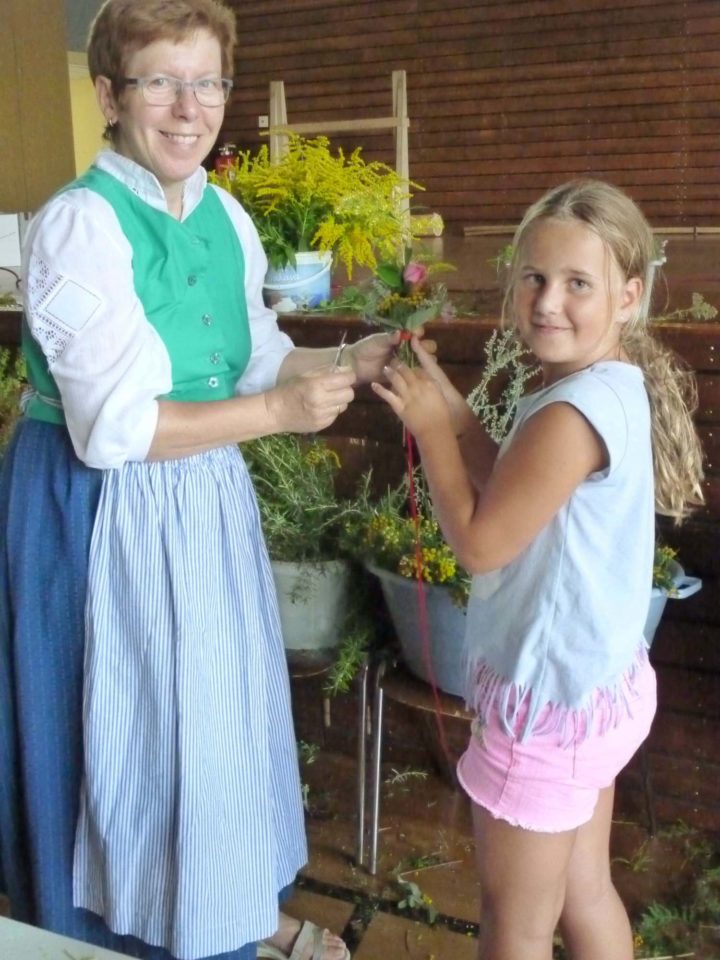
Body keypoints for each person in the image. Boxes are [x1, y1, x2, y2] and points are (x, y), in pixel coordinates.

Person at [0, 1, 406, 958]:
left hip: (200, 497)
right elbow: (116, 429)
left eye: (209, 82)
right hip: (94, 511)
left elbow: (254, 357)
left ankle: (217, 914)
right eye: (161, 83)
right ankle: (110, 933)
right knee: (124, 731)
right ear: (110, 95)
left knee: (209, 718)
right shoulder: (79, 226)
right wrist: (278, 414)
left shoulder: (224, 215)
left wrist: (349, 361)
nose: (191, 109)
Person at [372, 179, 704, 960]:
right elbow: (512, 480)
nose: (548, 302)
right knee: (585, 892)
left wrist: (431, 431)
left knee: (516, 923)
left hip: (546, 713)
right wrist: (446, 401)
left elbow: (481, 544)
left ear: (628, 296)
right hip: (594, 692)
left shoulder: (568, 414)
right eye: (534, 276)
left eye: (577, 283)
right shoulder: (603, 383)